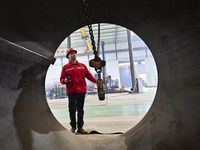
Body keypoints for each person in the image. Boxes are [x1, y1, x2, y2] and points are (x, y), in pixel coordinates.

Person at [60, 48, 97, 134]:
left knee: (80, 110)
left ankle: (80, 127)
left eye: (74, 53)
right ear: (68, 57)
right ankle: (73, 127)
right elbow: (61, 79)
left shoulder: (82, 66)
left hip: (81, 91)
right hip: (71, 92)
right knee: (72, 110)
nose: (73, 55)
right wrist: (65, 81)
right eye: (71, 54)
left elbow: (89, 75)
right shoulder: (65, 68)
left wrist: (97, 81)